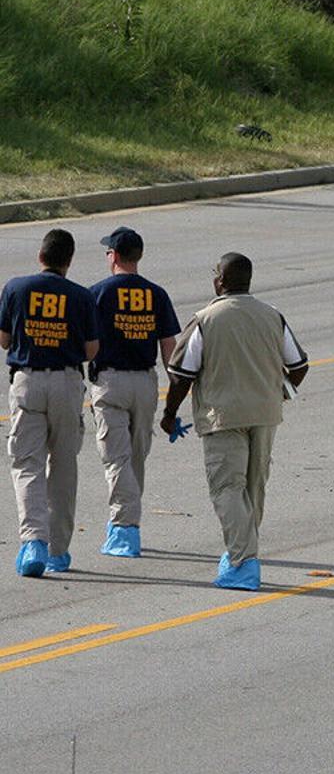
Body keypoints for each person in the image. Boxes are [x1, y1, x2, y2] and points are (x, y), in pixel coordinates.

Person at [162, 252, 307, 590]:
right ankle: (241, 553)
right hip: (266, 414)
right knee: (254, 487)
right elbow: (299, 366)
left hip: (223, 416)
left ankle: (243, 561)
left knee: (228, 487)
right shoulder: (272, 316)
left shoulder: (206, 319)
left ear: (220, 281)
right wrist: (279, 393)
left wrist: (169, 414)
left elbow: (181, 374)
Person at [0, 228, 99, 577]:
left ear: (40, 255)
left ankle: (33, 542)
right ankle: (58, 551)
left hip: (28, 379)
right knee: (63, 463)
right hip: (67, 381)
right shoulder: (82, 296)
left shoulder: (15, 288)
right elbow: (90, 350)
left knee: (27, 462)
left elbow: (4, 339)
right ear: (68, 261)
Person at [89, 226, 181, 558]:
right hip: (145, 383)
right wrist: (176, 395)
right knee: (136, 456)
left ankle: (125, 528)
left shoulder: (97, 293)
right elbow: (170, 349)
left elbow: (88, 345)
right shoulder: (156, 294)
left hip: (111, 382)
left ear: (113, 255)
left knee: (116, 457)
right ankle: (127, 519)